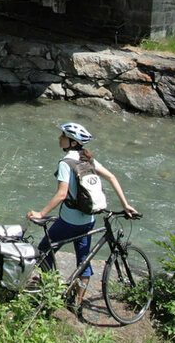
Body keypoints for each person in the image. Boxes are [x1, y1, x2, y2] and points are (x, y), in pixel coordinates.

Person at [26, 122, 138, 308]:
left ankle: (49, 291)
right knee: (83, 258)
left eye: (63, 136)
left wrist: (41, 213)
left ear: (72, 142)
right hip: (89, 219)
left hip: (70, 221)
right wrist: (125, 205)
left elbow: (62, 194)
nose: (59, 138)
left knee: (44, 249)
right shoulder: (88, 159)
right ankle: (77, 302)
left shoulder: (65, 163)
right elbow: (112, 177)